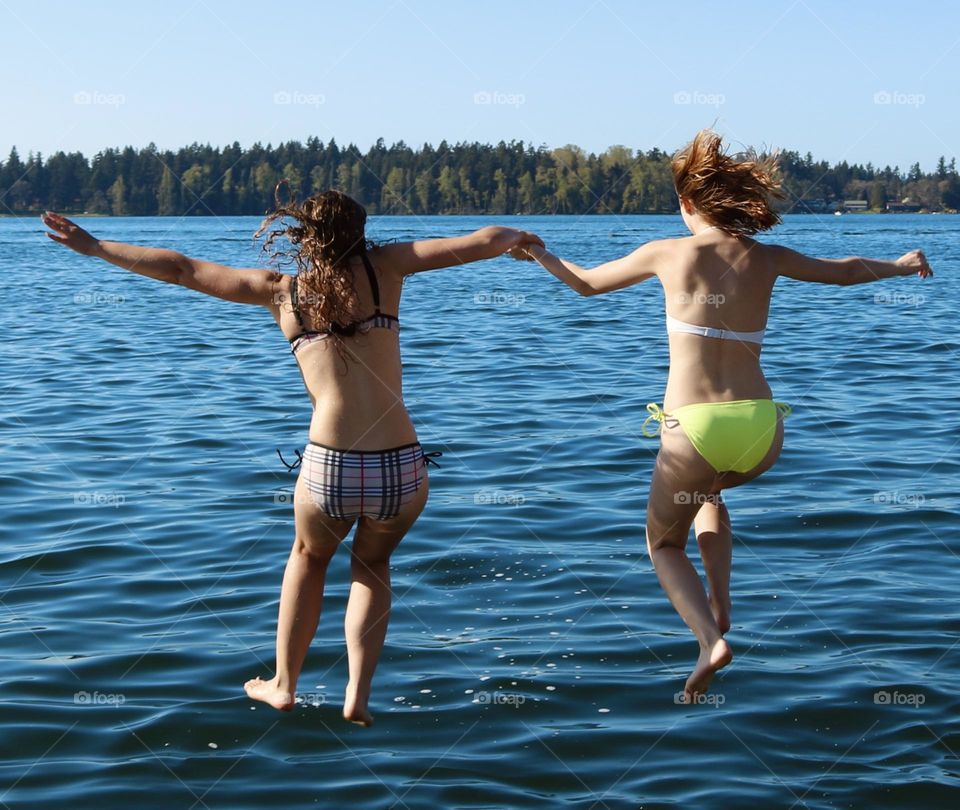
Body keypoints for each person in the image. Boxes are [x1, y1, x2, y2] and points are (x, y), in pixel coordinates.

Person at [42, 194, 542, 725]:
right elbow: (484, 239)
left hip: (330, 465)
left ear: (302, 237)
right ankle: (358, 693)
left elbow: (182, 269)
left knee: (308, 558)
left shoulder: (281, 292)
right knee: (373, 565)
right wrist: (520, 242)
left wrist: (95, 247)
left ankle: (284, 684)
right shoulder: (386, 268)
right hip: (401, 465)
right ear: (361, 230)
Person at [512, 129, 933, 704]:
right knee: (708, 494)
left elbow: (585, 284)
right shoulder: (767, 257)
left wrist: (537, 252)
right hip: (762, 427)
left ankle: (708, 640)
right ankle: (723, 603)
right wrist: (903, 264)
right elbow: (846, 270)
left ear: (688, 204)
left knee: (663, 544)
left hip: (694, 427)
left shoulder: (667, 252)